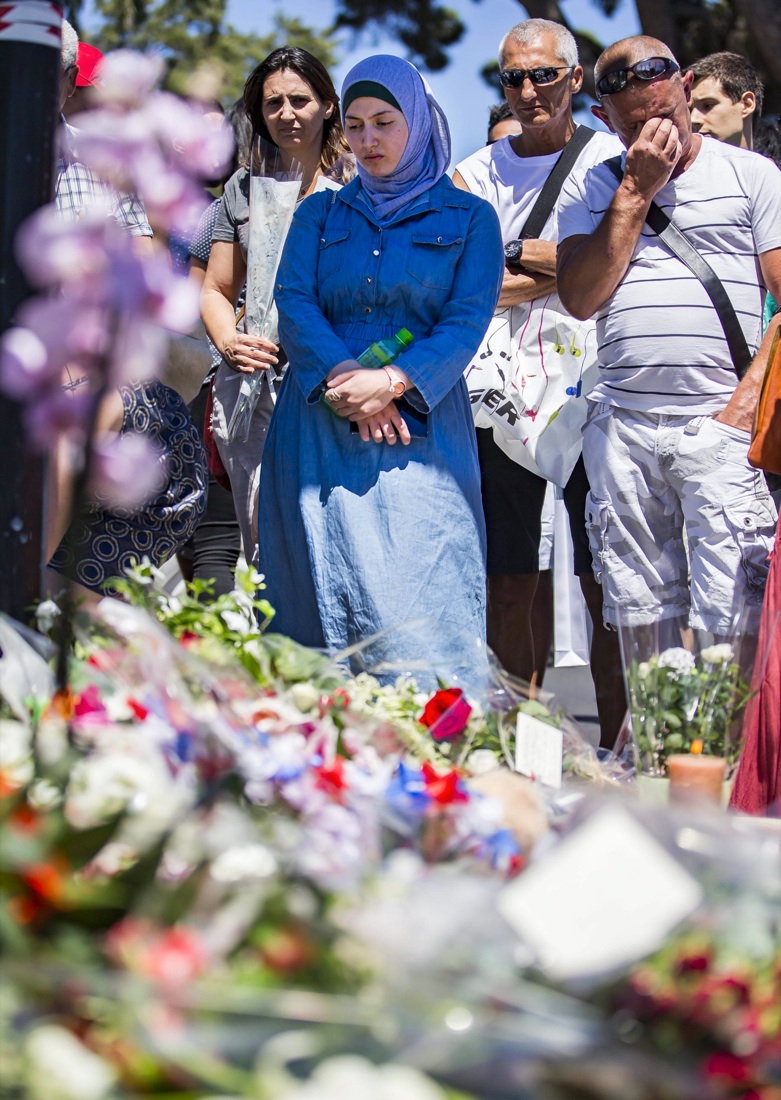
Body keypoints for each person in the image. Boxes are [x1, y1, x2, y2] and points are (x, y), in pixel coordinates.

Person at [257, 55, 504, 668]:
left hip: (419, 434)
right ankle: (323, 759)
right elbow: (294, 300)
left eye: (385, 122)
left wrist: (392, 383)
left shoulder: (471, 219)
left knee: (418, 610)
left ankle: (436, 754)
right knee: (311, 608)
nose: (368, 140)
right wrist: (348, 381)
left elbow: (466, 319)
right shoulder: (320, 213)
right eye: (358, 125)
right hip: (316, 424)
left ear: (418, 122)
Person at [556, 36, 781, 642]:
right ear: (604, 120)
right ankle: (657, 740)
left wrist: (745, 404)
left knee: (735, 622)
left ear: (686, 89)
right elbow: (579, 298)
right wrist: (636, 189)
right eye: (634, 124)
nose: (655, 133)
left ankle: (728, 743)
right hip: (625, 428)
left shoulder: (751, 175)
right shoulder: (593, 186)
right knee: (641, 620)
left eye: (665, 115)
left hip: (721, 424)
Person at [452, 18, 626, 744]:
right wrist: (567, 262)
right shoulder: (470, 173)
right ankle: (519, 757)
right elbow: (465, 285)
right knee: (508, 581)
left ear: (574, 79)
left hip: (593, 386)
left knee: (604, 583)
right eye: (512, 78)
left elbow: (614, 261)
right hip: (496, 395)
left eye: (542, 76)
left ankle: (622, 758)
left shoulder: (611, 159)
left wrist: (519, 252)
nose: (527, 91)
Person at [48, 21, 207, 599]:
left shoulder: (103, 165)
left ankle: (11, 602)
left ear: (69, 83)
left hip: (97, 383)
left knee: (77, 426)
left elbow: (142, 289)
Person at [200, 47, 349, 567]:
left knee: (330, 541)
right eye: (272, 104)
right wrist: (229, 341)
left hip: (334, 387)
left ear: (329, 106)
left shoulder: (357, 186)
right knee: (263, 545)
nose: (286, 114)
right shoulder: (242, 189)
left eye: (300, 100)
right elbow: (216, 290)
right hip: (253, 390)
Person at [687, 51, 763, 150]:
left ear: (746, 104)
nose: (693, 119)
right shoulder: (673, 165)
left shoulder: (767, 165)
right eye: (689, 110)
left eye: (707, 106)